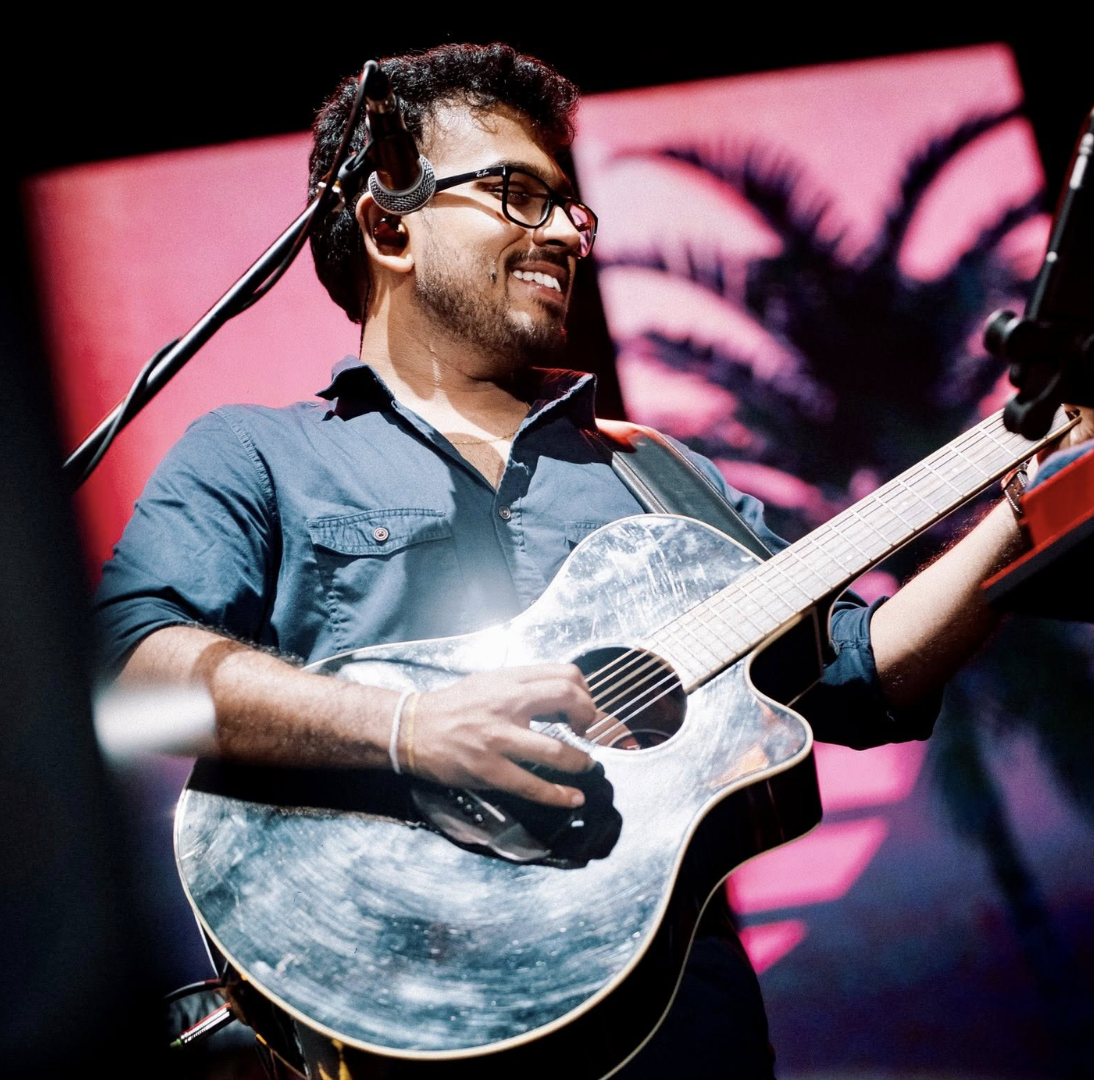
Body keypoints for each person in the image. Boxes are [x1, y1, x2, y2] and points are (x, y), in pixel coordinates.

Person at [94, 43, 1090, 1079]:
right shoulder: (258, 454)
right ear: (389, 225)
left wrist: (1027, 506)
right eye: (520, 195)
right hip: (394, 1021)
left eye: (571, 206)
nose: (570, 230)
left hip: (678, 1039)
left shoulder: (658, 473)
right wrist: (408, 728)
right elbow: (132, 674)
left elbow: (859, 670)